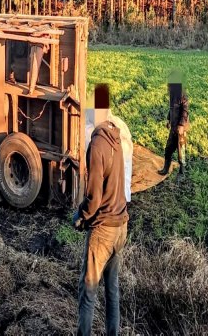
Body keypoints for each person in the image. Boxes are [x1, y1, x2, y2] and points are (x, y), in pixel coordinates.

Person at [73, 84, 128, 336]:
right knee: (112, 289)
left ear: (93, 113)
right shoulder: (115, 136)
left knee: (88, 292)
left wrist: (80, 217)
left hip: (104, 230)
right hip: (121, 226)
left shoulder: (97, 144)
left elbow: (94, 198)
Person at [158, 73, 189, 178]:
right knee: (168, 149)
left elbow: (185, 111)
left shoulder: (182, 94)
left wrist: (181, 125)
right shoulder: (172, 93)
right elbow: (171, 108)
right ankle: (166, 169)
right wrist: (168, 119)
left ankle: (182, 171)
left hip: (181, 129)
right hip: (173, 127)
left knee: (181, 151)